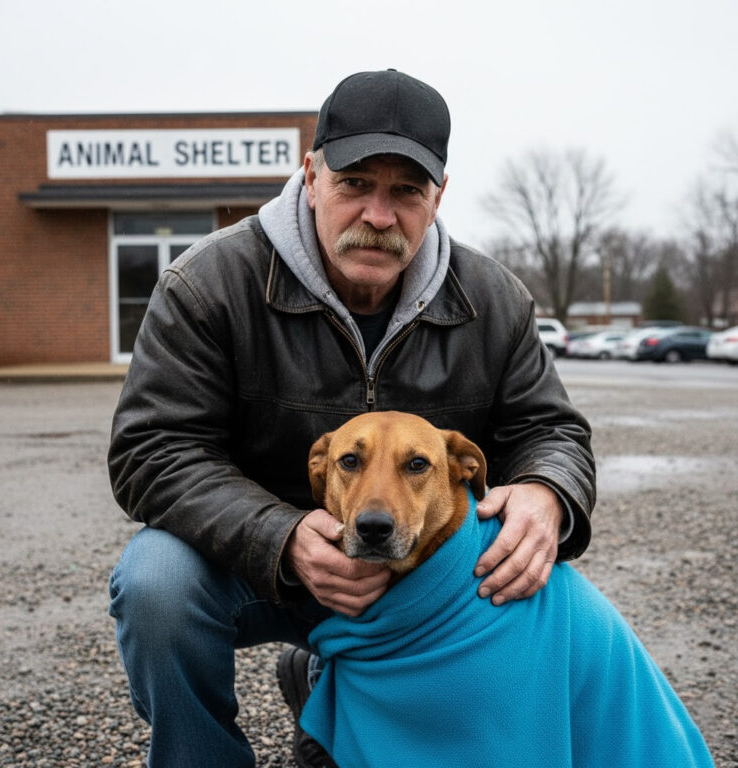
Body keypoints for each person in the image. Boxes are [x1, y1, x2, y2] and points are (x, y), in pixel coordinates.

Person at [108, 69, 596, 768]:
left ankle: (336, 693)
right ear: (311, 178)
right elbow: (151, 449)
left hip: (425, 572)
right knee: (156, 582)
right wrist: (279, 537)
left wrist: (549, 492)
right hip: (264, 567)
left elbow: (552, 432)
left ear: (438, 197)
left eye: (406, 191)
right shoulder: (208, 284)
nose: (379, 215)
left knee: (527, 578)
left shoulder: (496, 300)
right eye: (355, 183)